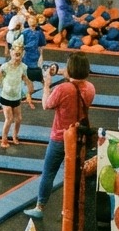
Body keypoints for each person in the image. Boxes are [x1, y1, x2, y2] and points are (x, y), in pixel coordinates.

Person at [24, 52, 95, 219]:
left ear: (70, 68)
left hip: (60, 137)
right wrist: (58, 71)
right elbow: (76, 81)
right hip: (79, 136)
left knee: (49, 172)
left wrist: (47, 84)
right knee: (75, 173)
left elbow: (46, 104)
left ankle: (40, 207)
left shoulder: (62, 89)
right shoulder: (90, 88)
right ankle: (72, 209)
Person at [0, 40, 34, 149]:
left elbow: (26, 80)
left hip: (16, 97)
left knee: (18, 119)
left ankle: (15, 135)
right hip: (6, 97)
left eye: (19, 54)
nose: (17, 57)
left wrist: (29, 89)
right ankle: (4, 139)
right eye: (15, 54)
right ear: (11, 53)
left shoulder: (23, 67)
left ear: (22, 54)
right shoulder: (5, 66)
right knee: (9, 119)